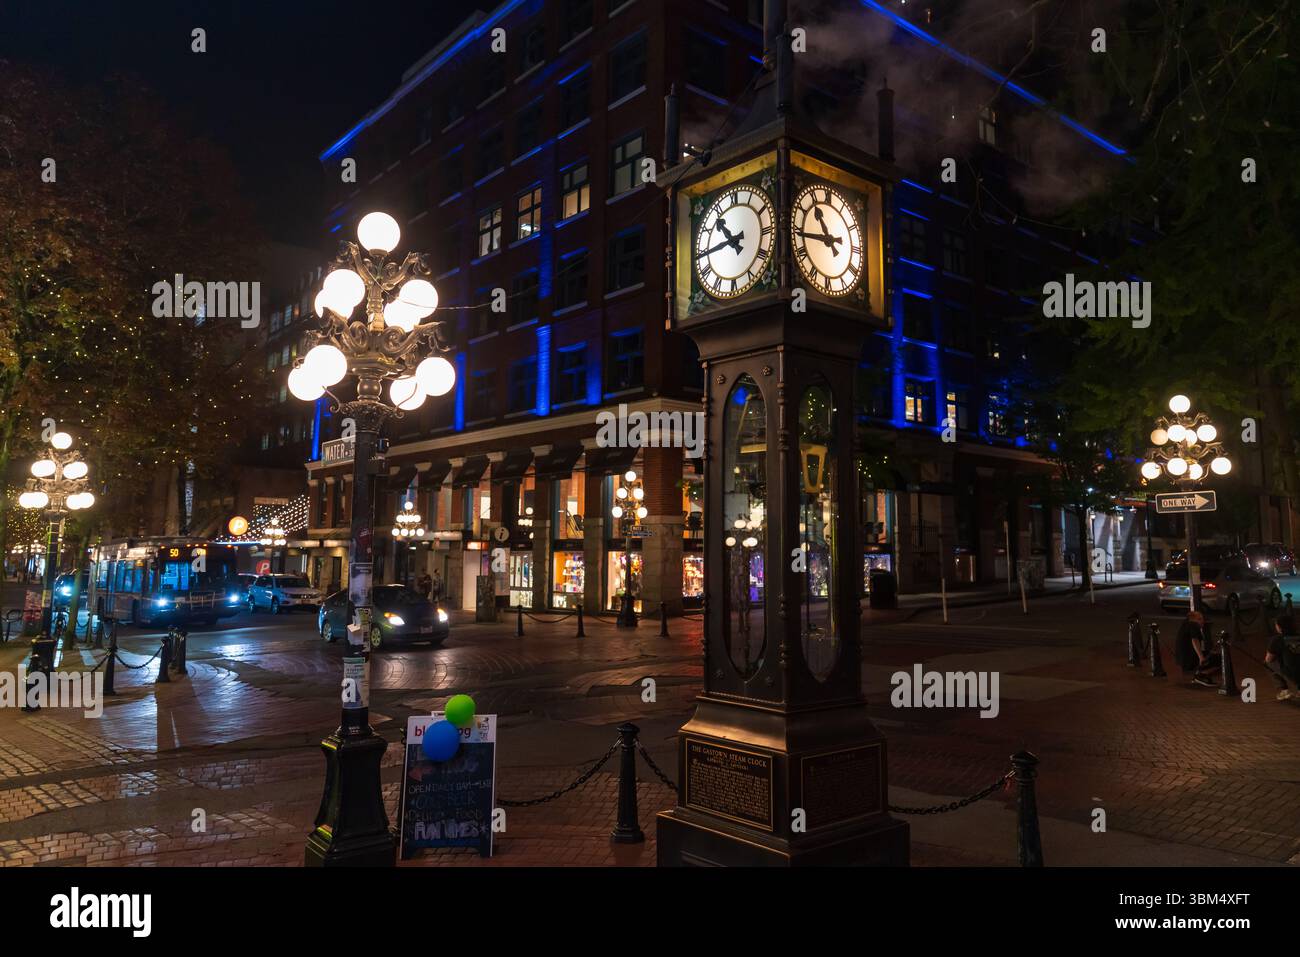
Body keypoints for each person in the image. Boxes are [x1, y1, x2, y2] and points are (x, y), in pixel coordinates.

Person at [1173, 610, 1220, 687]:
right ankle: (1200, 675)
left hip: (1183, 659)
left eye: (1202, 619)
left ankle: (1200, 675)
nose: (1203, 621)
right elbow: (1194, 640)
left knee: (1212, 655)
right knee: (1219, 659)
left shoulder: (1186, 625)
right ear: (1193, 619)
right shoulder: (1193, 625)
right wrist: (1201, 657)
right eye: (1200, 619)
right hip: (1189, 659)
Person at [1265, 613, 1300, 701]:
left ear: (1280, 627)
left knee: (1268, 663)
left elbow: (1268, 659)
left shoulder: (1277, 639)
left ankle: (1284, 690)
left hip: (1291, 673)